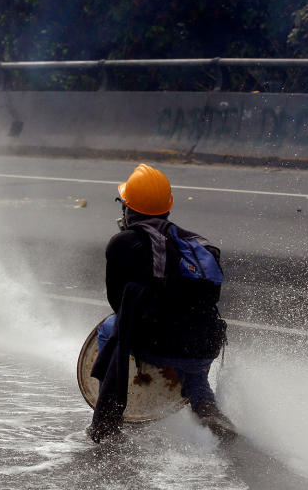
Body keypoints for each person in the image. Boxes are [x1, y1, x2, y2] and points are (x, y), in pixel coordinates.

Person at [87, 163, 234, 442]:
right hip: (206, 346)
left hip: (159, 345)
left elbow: (118, 304)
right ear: (167, 207)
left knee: (108, 328)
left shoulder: (122, 244)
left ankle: (111, 412)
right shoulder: (198, 245)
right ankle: (205, 405)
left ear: (128, 208)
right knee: (191, 350)